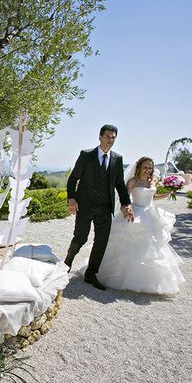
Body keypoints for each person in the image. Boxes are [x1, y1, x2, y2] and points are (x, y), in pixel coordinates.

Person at [96, 157, 185, 295]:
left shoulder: (153, 180)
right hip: (136, 212)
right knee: (131, 243)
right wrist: (128, 209)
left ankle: (149, 282)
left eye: (150, 168)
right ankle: (125, 278)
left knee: (153, 246)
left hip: (151, 213)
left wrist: (168, 194)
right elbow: (125, 198)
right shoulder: (133, 181)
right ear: (139, 167)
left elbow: (152, 197)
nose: (148, 170)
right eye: (145, 167)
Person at [65, 124, 134, 290]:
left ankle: (91, 274)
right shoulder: (86, 155)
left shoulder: (117, 159)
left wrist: (126, 204)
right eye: (108, 136)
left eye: (113, 138)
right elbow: (73, 179)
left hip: (105, 207)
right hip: (85, 206)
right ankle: (66, 265)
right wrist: (72, 199)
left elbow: (119, 184)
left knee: (101, 241)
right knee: (80, 238)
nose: (110, 140)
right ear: (100, 137)